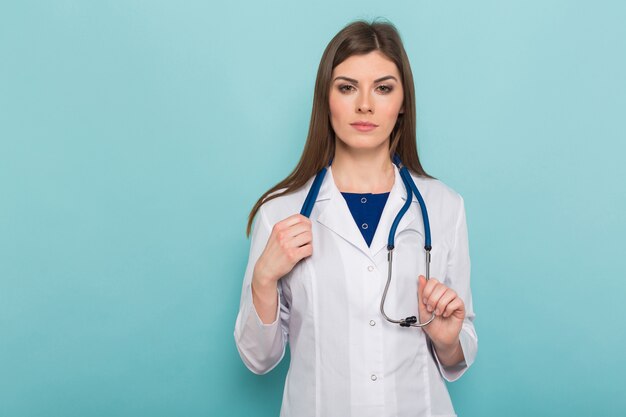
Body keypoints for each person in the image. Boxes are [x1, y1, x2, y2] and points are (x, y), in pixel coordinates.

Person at [234, 19, 477, 417]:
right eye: (347, 87)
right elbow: (258, 360)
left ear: (403, 103)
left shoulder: (444, 207)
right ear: (325, 98)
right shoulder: (280, 212)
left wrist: (448, 341)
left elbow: (458, 350)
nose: (365, 104)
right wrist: (264, 280)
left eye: (383, 88)